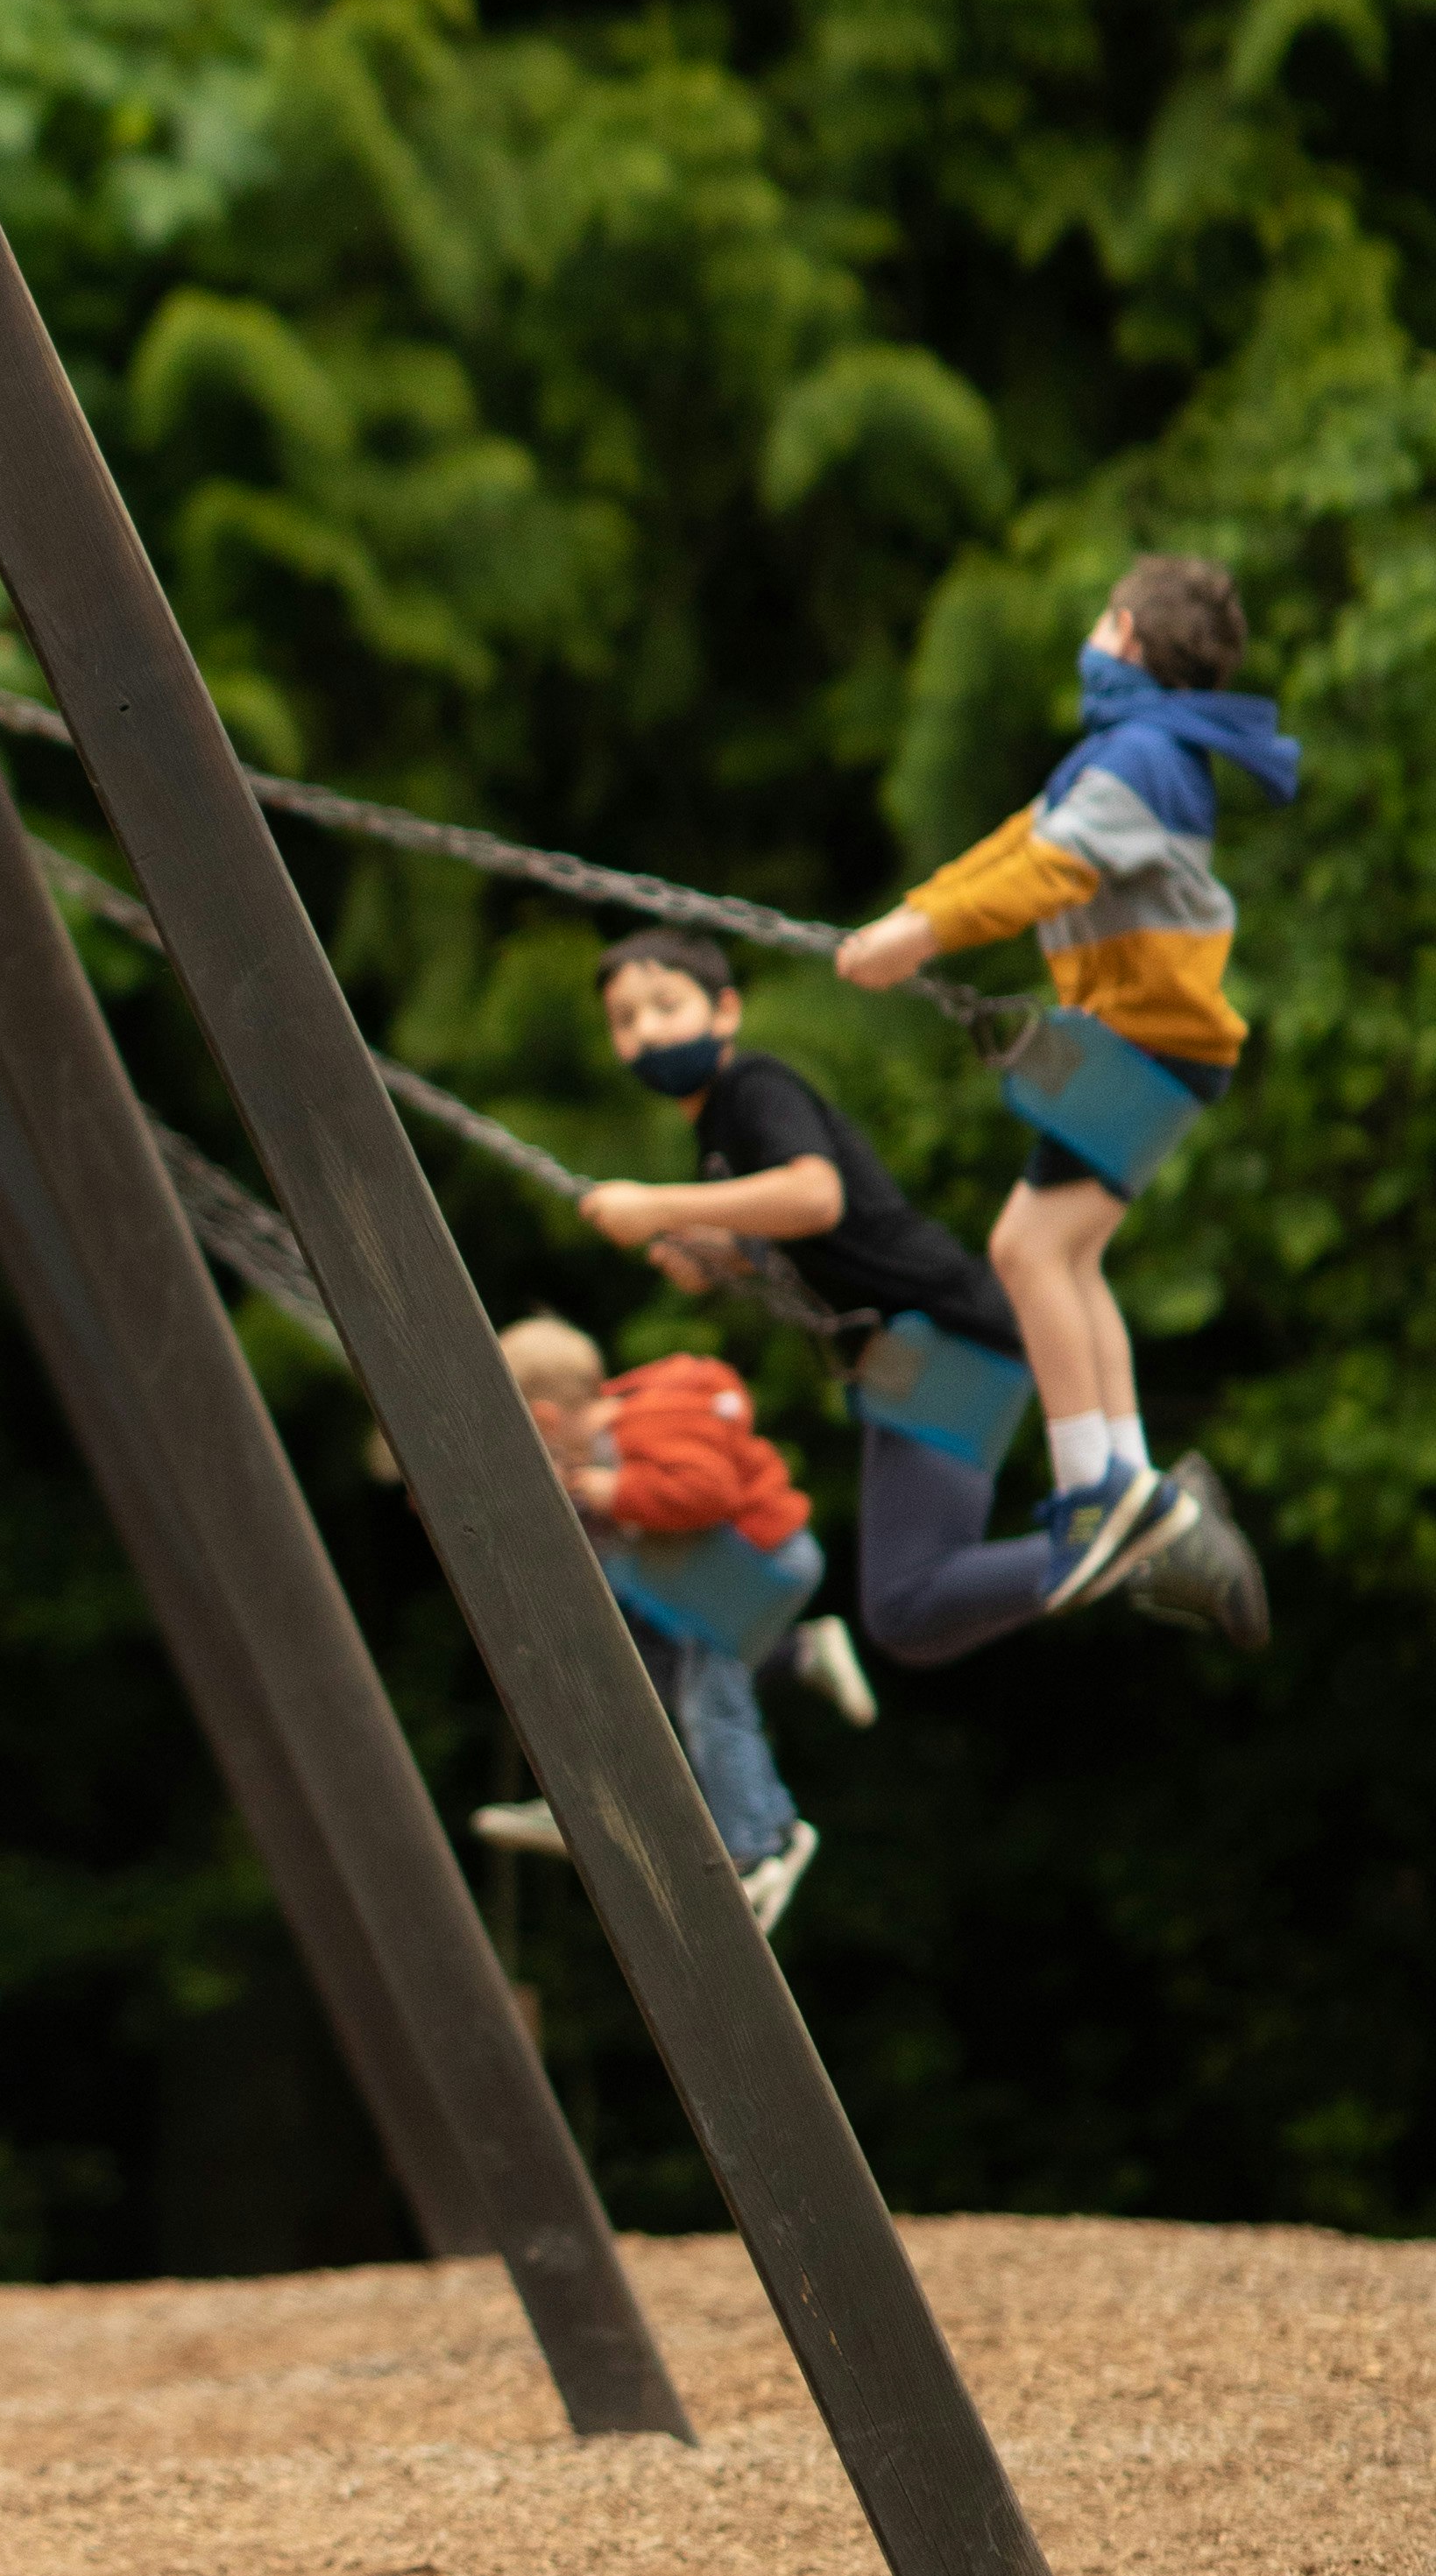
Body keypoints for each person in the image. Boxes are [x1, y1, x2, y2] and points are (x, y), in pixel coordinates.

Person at [575, 934, 1262, 1659]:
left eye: (664, 1005)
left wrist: (658, 1207)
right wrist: (714, 1251)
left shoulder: (752, 1088)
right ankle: (1147, 1533)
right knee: (909, 1620)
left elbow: (816, 1195)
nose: (646, 1030)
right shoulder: (717, 1133)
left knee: (905, 1603)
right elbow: (793, 1235)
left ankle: (1155, 1526)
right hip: (922, 1351)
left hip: (940, 1337)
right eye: (624, 1020)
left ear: (724, 1011)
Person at [835, 556, 1296, 1588]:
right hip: (1154, 1040)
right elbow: (1019, 844)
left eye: (1101, 620)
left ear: (1125, 633)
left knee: (1027, 1250)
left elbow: (1052, 869)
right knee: (1065, 1254)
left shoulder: (1141, 753)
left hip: (1150, 1037)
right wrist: (913, 920)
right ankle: (1123, 1471)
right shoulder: (1137, 750)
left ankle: (1096, 1481)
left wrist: (919, 932)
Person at [478, 1312, 825, 1931]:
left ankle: (758, 1846)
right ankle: (755, 1811)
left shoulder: (646, 1425)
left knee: (709, 1703)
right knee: (654, 1670)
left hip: (758, 1563)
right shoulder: (608, 1443)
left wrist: (618, 1491)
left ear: (546, 1419)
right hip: (725, 1575)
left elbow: (707, 1491)